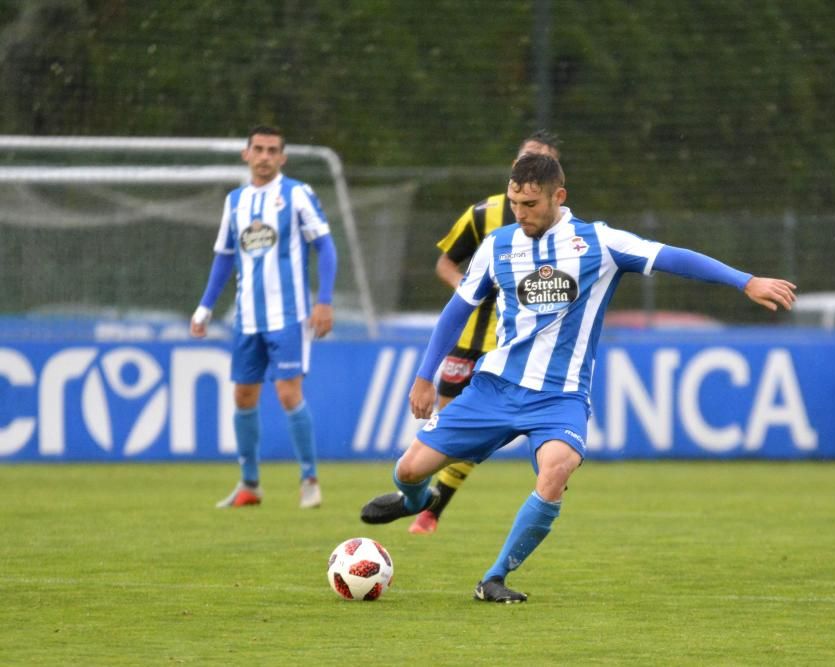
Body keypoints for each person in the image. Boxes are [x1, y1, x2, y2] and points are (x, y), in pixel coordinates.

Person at [360, 153, 796, 602]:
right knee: (409, 470)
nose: (520, 212)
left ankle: (494, 578)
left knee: (556, 470)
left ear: (558, 196)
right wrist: (424, 377)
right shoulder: (497, 245)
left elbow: (671, 257)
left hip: (560, 397)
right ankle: (415, 502)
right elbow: (457, 312)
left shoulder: (598, 243)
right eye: (514, 203)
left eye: (530, 204)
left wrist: (744, 281)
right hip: (495, 387)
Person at [408, 130, 562, 535]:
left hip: (517, 350)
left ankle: (432, 511)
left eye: (543, 159)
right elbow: (445, 264)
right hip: (470, 339)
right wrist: (471, 290)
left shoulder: (564, 229)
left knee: (478, 437)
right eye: (527, 157)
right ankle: (419, 497)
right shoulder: (483, 215)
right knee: (446, 425)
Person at [190, 125, 337, 509]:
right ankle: (249, 484)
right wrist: (205, 307)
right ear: (246, 154)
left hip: (288, 315)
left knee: (288, 394)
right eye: (259, 149)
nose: (265, 156)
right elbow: (224, 257)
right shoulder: (235, 201)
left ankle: (309, 479)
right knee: (242, 395)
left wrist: (324, 300)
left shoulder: (297, 194)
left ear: (282, 158)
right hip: (247, 318)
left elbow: (325, 245)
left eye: (273, 150)